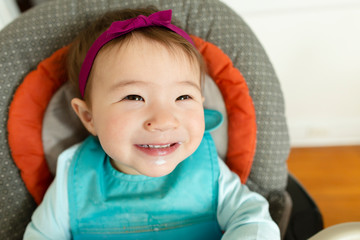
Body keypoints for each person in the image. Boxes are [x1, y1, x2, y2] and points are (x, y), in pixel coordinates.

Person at [24, 7, 280, 240]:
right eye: (134, 97)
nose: (163, 121)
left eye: (183, 97)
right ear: (89, 117)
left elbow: (253, 218)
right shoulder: (74, 174)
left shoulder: (207, 167)